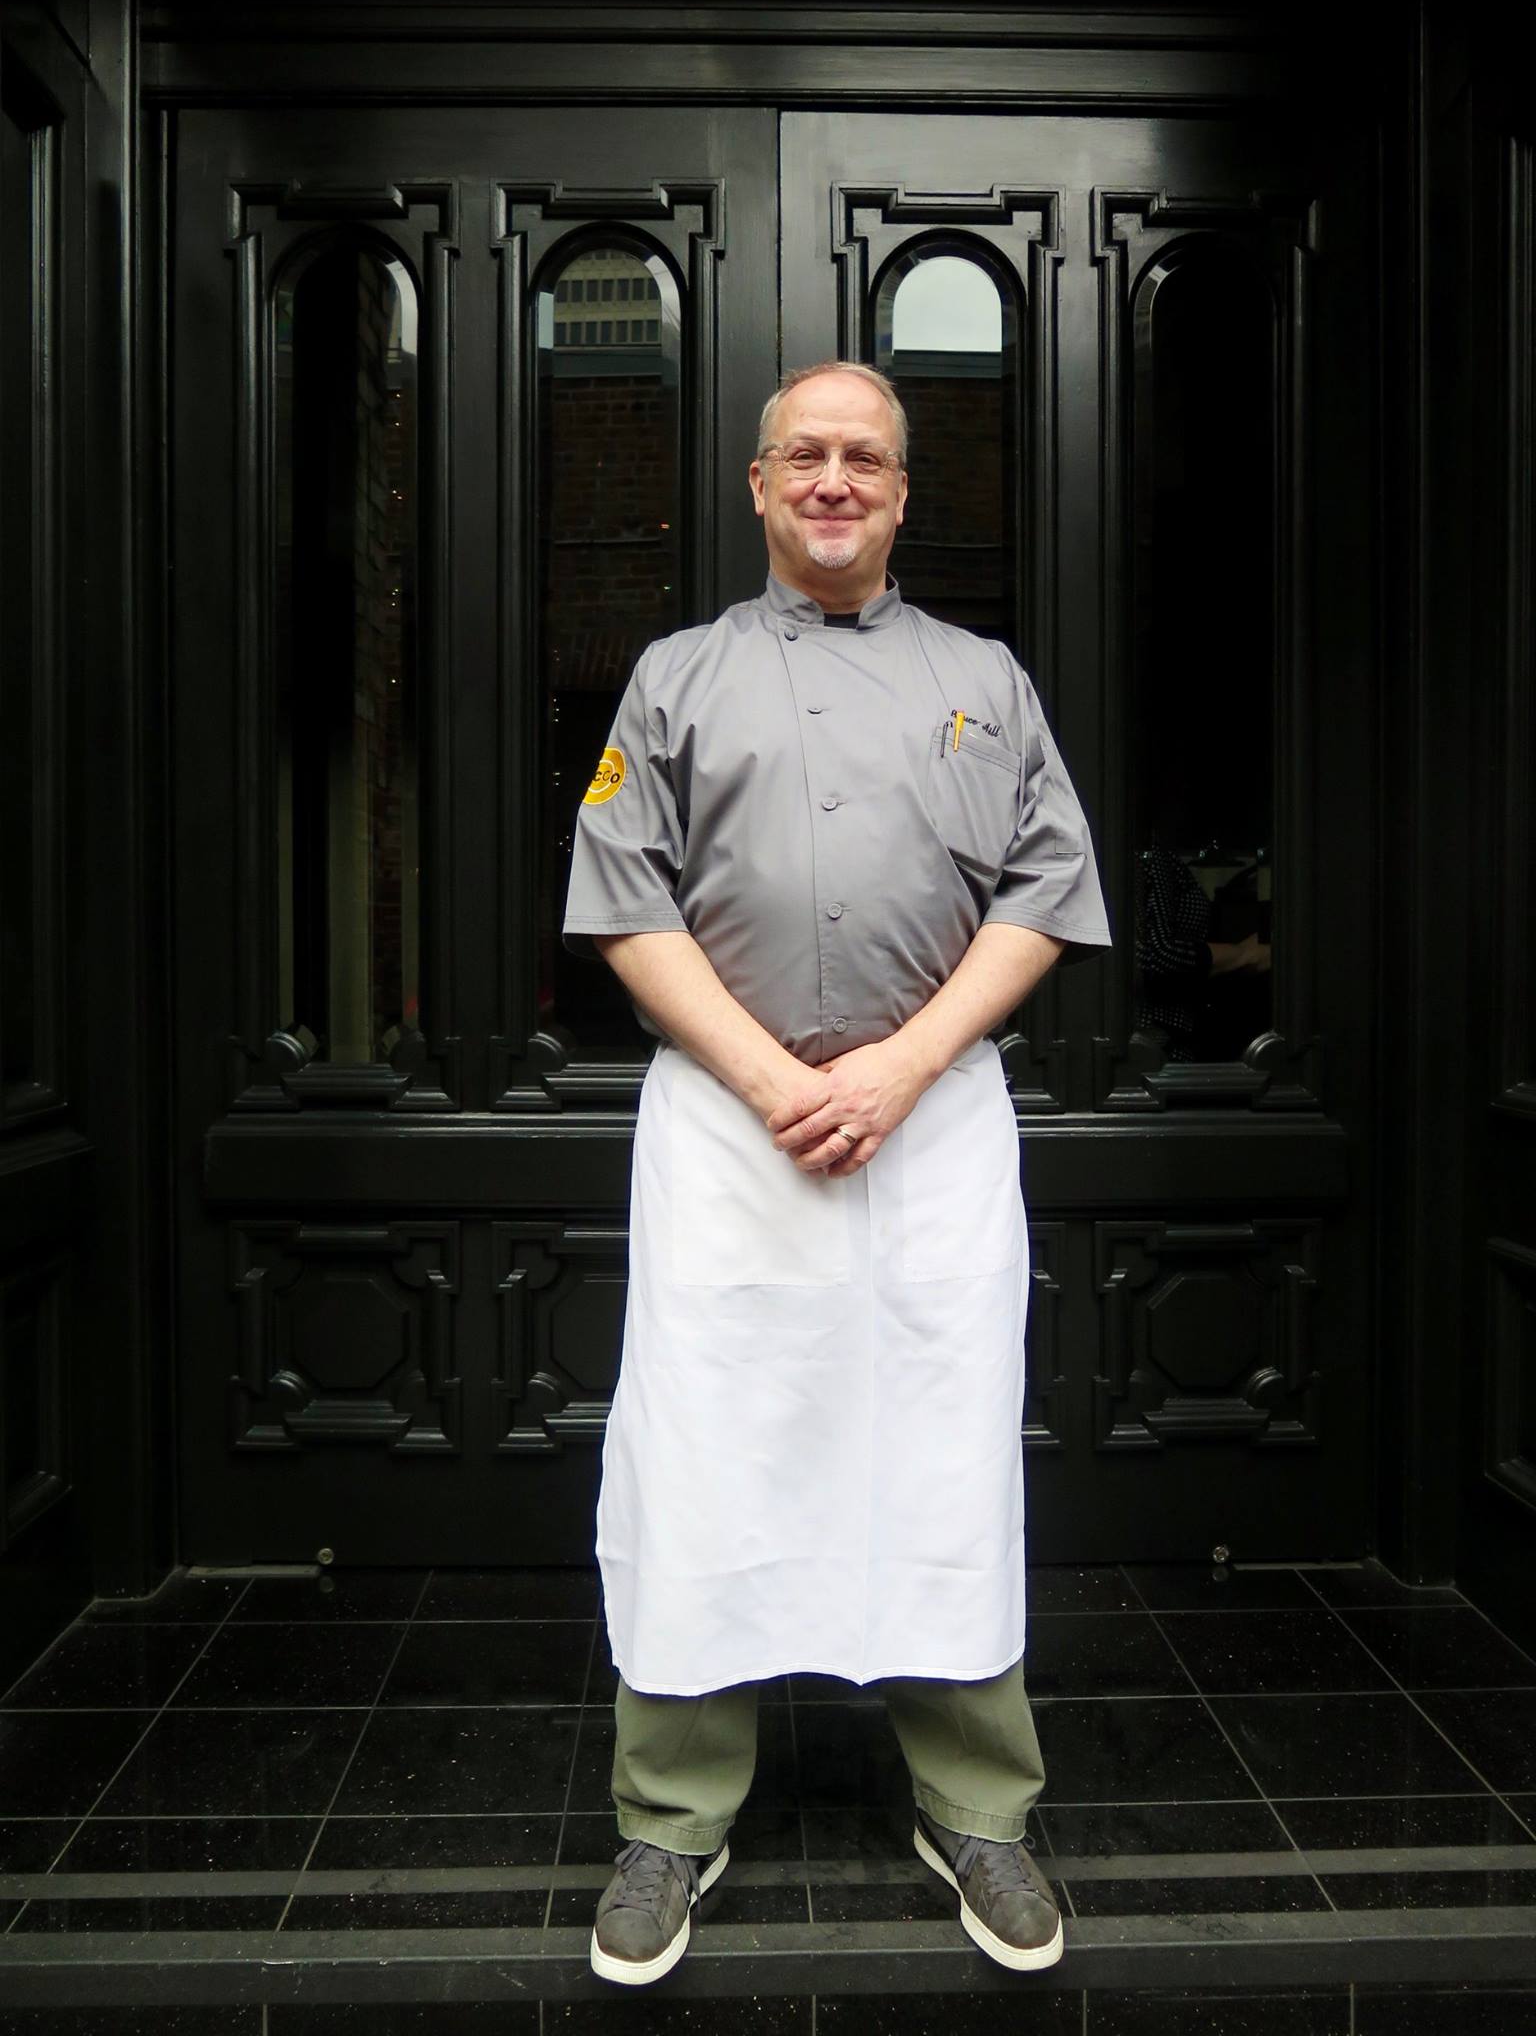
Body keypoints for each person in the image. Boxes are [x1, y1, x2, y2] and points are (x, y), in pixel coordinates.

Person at [562, 360, 1111, 1986]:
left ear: (900, 491)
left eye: (864, 458)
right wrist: (777, 1080)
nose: (832, 481)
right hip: (731, 1131)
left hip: (930, 1124)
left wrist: (896, 1068)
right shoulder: (674, 677)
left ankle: (977, 1804)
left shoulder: (983, 680)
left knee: (944, 1450)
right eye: (803, 454)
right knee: (703, 1450)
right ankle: (673, 1817)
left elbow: (1044, 890)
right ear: (757, 484)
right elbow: (624, 901)